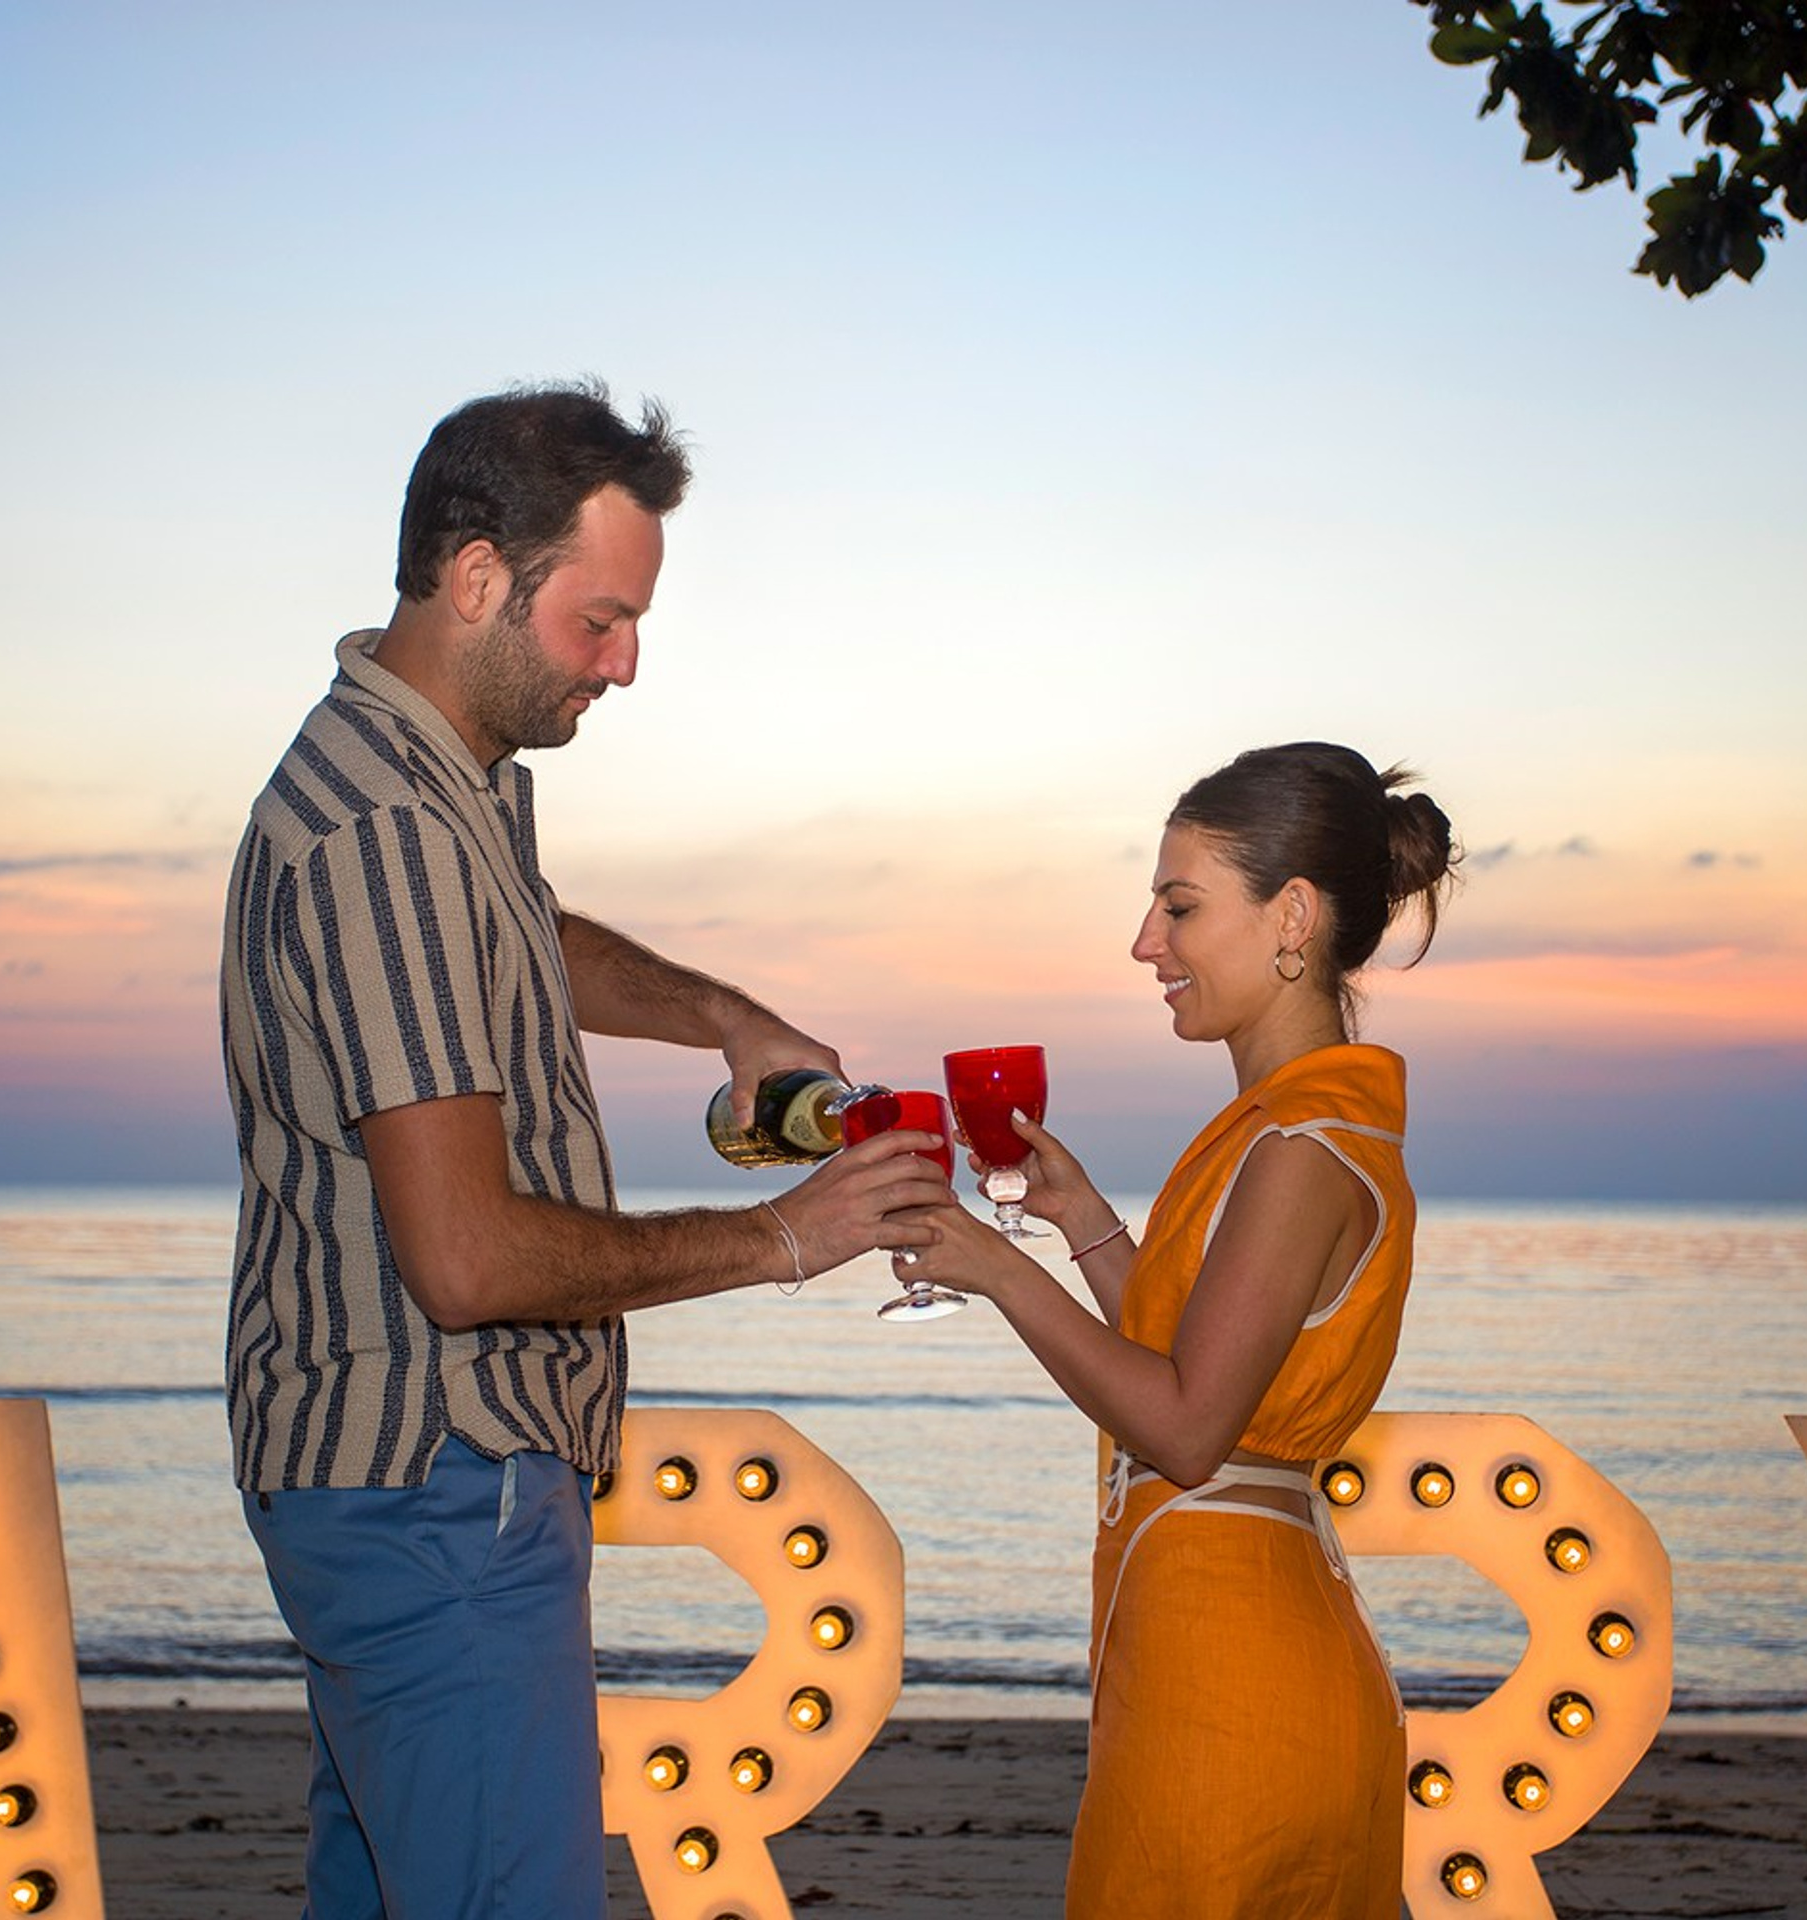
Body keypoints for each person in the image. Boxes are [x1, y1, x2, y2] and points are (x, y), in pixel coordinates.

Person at [218, 381, 948, 1920]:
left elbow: (519, 940)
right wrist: (788, 1236)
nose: (625, 665)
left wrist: (720, 1016)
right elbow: (472, 1260)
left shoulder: (434, 792)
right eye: (600, 621)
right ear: (476, 576)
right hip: (441, 1480)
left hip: (390, 1486)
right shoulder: (386, 836)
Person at [896, 741, 1459, 1919]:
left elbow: (1191, 1429)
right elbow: (1211, 1370)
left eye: (1180, 904)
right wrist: (1088, 1226)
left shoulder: (1301, 1152)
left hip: (1237, 1701)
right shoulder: (1292, 1131)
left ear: (1291, 916)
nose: (1147, 941)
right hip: (1213, 1665)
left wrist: (998, 1266)